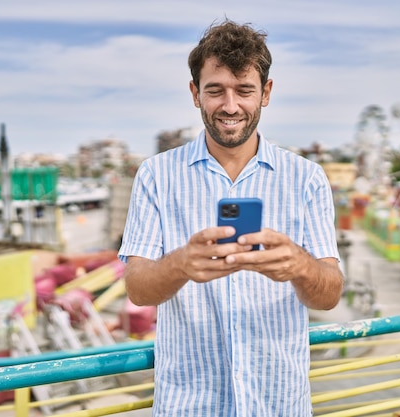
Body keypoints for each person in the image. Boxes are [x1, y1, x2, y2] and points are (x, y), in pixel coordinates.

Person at [118, 19, 344, 416]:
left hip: (279, 403)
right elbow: (138, 289)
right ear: (195, 93)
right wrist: (181, 264)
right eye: (215, 90)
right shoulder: (155, 176)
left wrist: (300, 266)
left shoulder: (306, 179)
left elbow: (328, 296)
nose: (230, 105)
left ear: (266, 93)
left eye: (244, 90)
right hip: (188, 405)